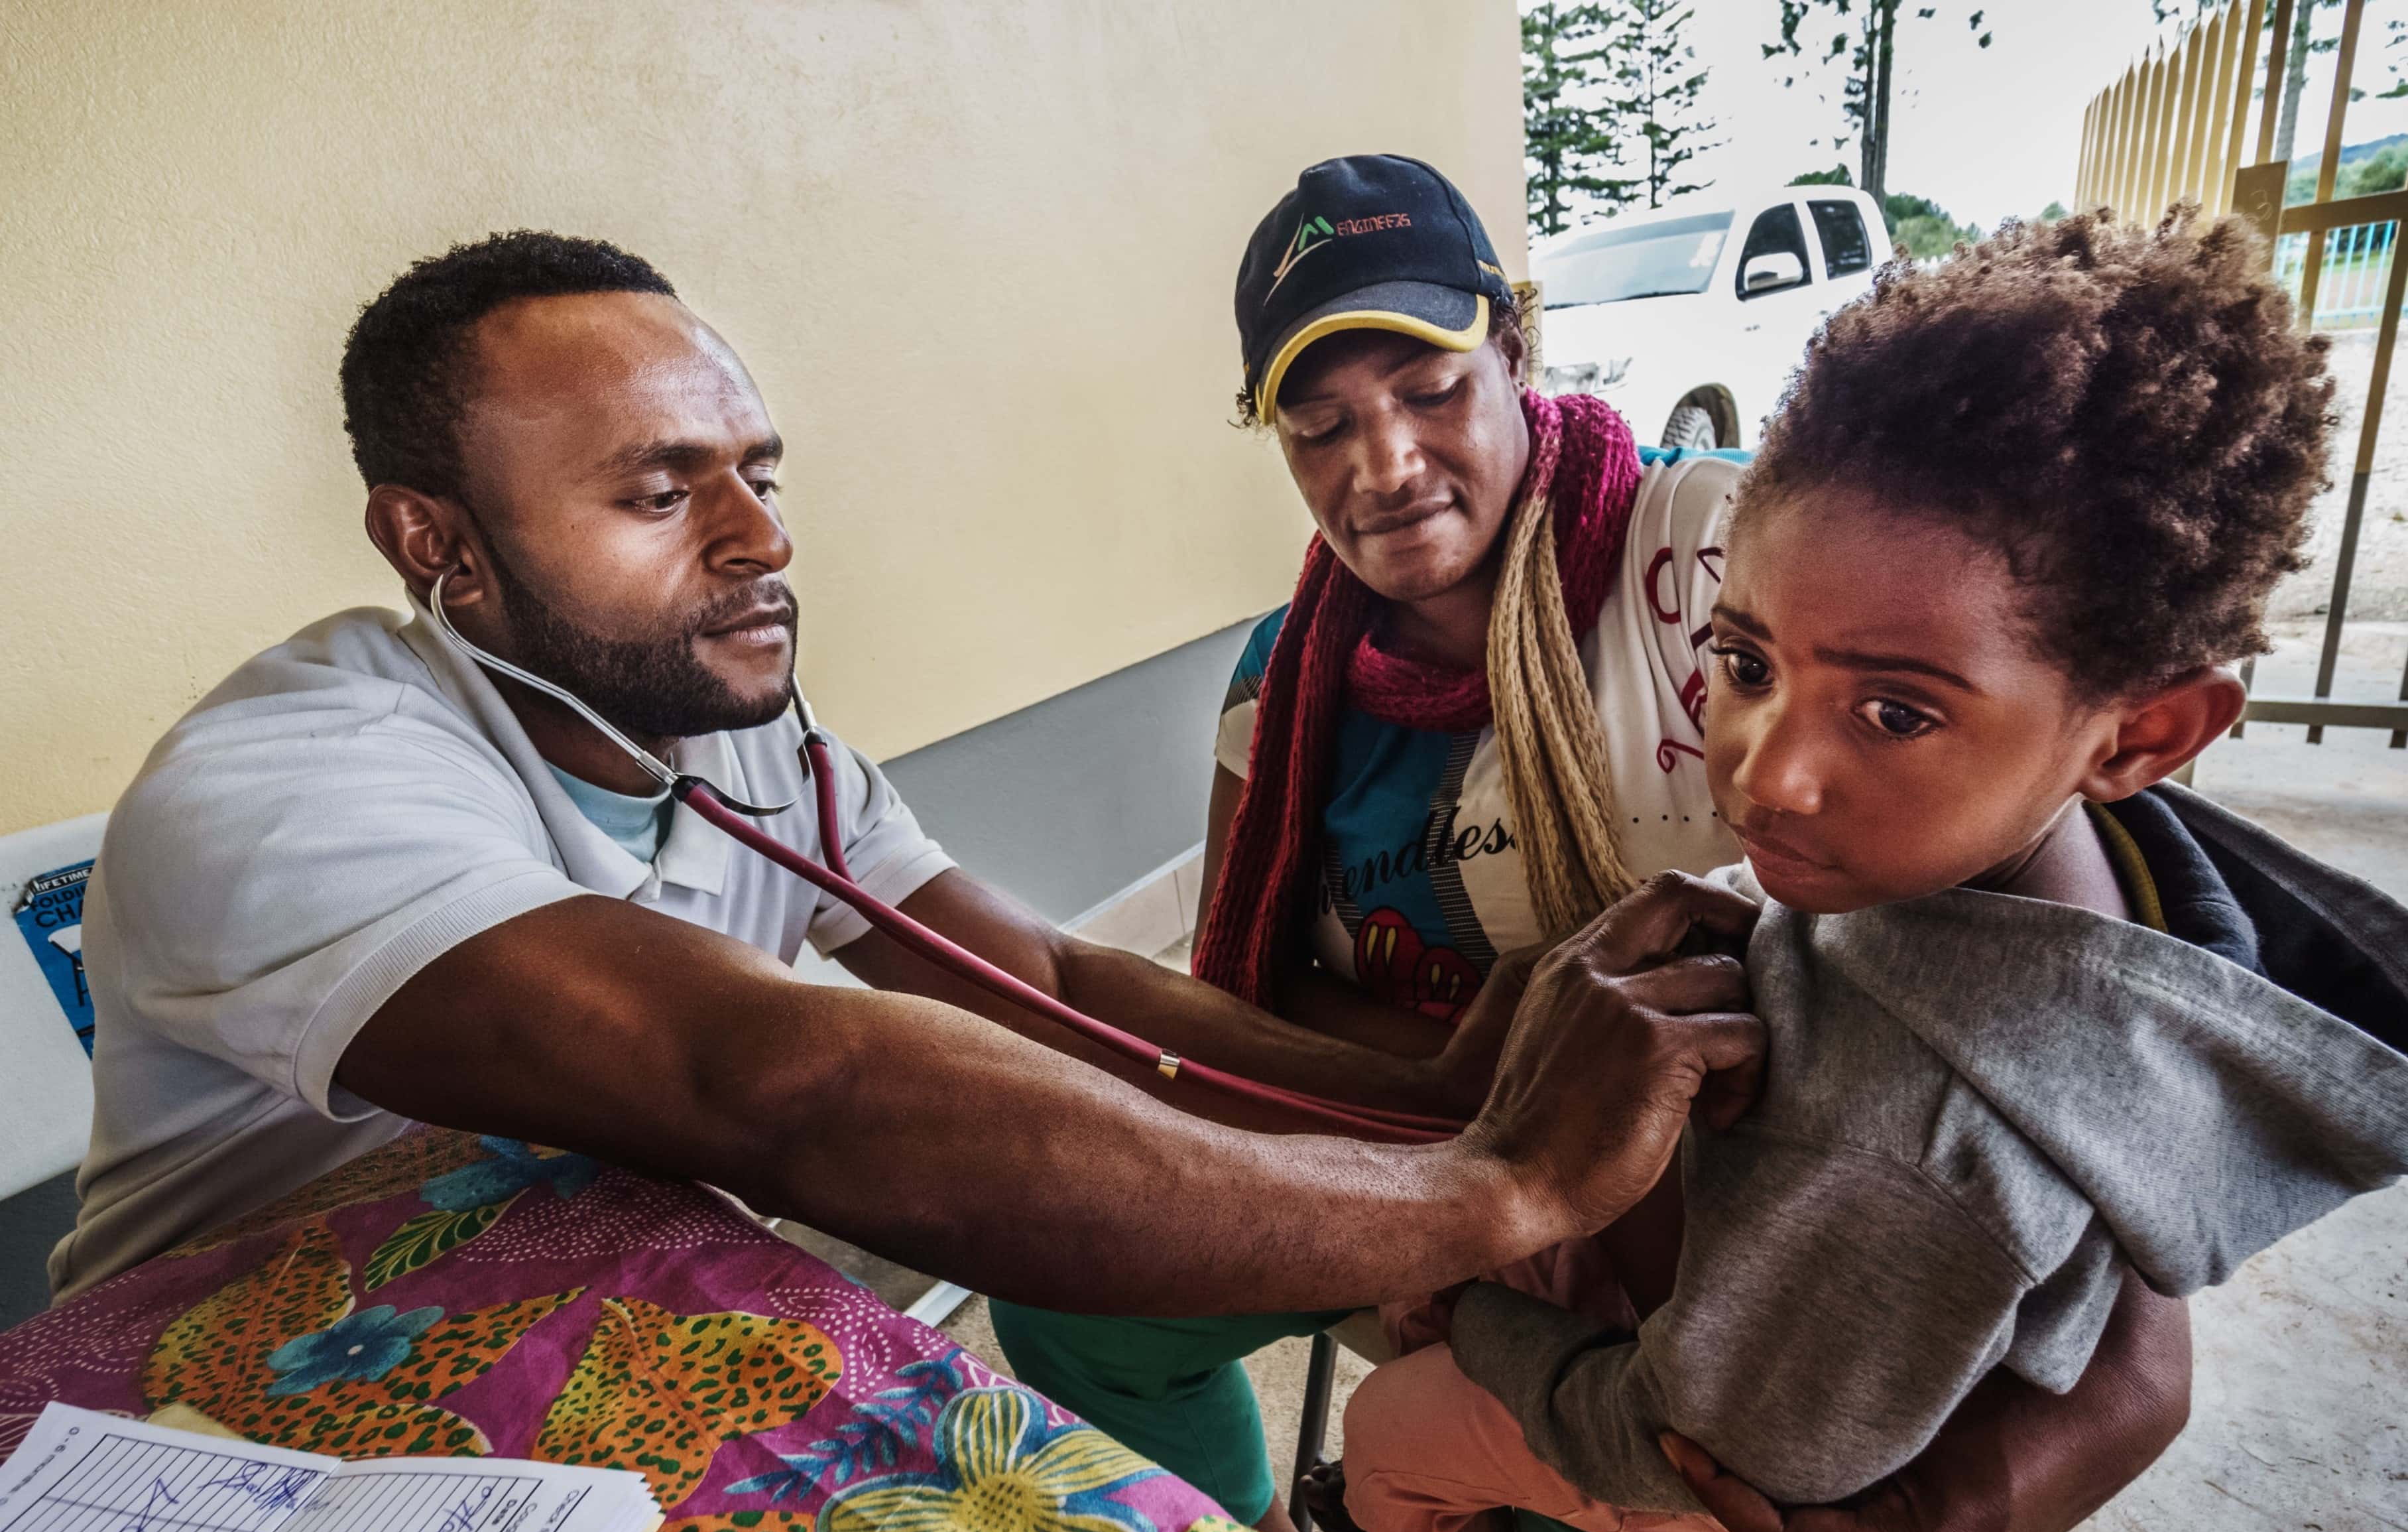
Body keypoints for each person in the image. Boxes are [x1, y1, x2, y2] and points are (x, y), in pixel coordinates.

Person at [54, 231, 1767, 1345]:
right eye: (661, 493)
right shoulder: (284, 784)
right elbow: (785, 1079)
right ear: (437, 544)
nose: (763, 538)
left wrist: (1434, 1105)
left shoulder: (740, 744)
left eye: (758, 471)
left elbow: (1055, 981)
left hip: (603, 1341)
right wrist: (1491, 1189)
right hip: (235, 1401)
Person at [991, 155, 2196, 1532]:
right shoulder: (1284, 685)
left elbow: (2047, 929)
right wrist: (1501, 1093)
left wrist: (2142, 1357)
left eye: (1430, 389)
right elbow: (1258, 991)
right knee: (1071, 1282)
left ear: (1516, 347)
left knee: (1620, 1515)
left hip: (1711, 1248)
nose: (1383, 467)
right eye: (1319, 427)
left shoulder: (1728, 560)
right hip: (1419, 1168)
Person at [1336, 204, 2408, 1532]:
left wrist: (1474, 1311)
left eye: (1895, 711)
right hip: (1732, 1279)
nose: (1762, 772)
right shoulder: (2028, 846)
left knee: (1386, 1435)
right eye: (1746, 663)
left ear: (2140, 734)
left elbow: (1712, 1449)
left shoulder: (1917, 1151)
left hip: (1698, 1448)